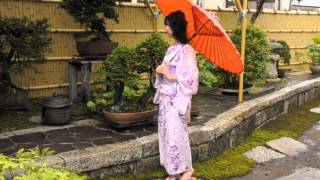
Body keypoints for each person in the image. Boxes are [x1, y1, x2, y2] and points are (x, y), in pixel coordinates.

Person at [153, 10, 199, 180]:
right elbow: (167, 70)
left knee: (176, 134)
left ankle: (186, 170)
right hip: (166, 98)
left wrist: (173, 76)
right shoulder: (172, 48)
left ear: (175, 27)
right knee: (166, 135)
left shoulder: (187, 50)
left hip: (175, 99)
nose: (165, 28)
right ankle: (173, 171)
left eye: (168, 25)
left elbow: (192, 78)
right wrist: (160, 71)